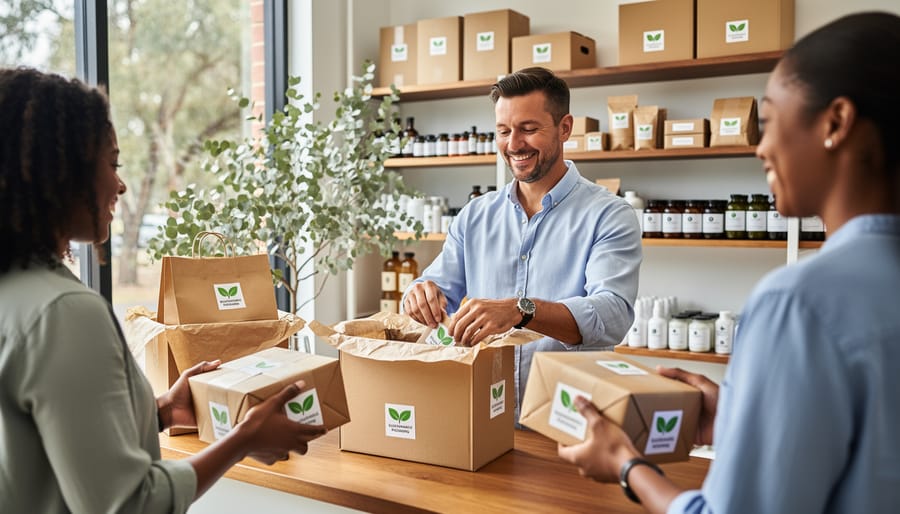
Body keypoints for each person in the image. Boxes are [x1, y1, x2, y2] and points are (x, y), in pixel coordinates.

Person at [557, 11, 900, 513]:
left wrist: (628, 466)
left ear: (836, 123)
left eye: (770, 120)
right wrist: (745, 414)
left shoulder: (799, 303)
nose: (760, 146)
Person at [0, 68, 325, 513]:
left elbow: (40, 439)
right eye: (111, 163)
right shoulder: (64, 312)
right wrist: (243, 440)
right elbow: (130, 505)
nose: (121, 184)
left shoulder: (16, 292)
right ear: (60, 171)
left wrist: (161, 411)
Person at [402, 67, 642, 420]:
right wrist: (420, 292)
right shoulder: (475, 215)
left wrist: (522, 310)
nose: (513, 144)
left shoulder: (609, 214)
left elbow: (612, 315)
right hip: (484, 414)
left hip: (568, 419)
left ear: (564, 128)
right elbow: (438, 286)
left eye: (528, 129)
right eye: (503, 131)